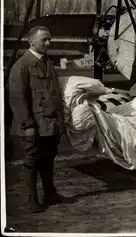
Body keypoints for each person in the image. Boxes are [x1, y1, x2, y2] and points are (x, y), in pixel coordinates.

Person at [8, 26, 73, 213]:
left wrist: (60, 122)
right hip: (33, 125)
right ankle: (31, 200)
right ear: (31, 42)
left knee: (48, 159)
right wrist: (27, 126)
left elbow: (54, 94)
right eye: (44, 40)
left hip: (50, 124)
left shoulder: (47, 63)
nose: (48, 43)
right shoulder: (22, 66)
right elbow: (18, 100)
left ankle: (50, 194)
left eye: (49, 39)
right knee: (31, 161)